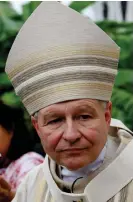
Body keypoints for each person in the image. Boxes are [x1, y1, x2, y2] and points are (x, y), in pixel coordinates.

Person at [5, 2, 133, 202]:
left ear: (107, 116)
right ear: (37, 127)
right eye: (54, 120)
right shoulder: (32, 186)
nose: (71, 135)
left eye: (83, 116)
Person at [0, 102, 44, 201]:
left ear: (10, 129)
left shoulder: (29, 163)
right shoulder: (3, 166)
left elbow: (38, 197)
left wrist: (10, 196)